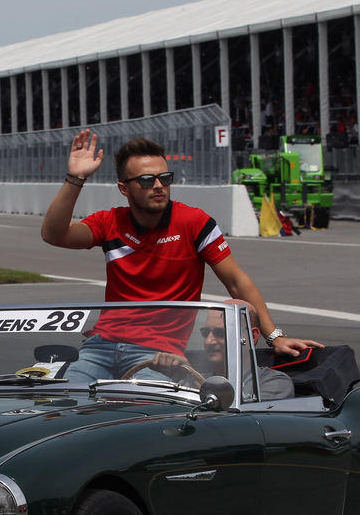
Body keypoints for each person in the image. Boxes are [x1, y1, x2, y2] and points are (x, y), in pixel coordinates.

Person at [41, 130, 321, 382]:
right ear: (124, 188)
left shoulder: (195, 223)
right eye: (147, 180)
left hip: (159, 354)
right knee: (69, 404)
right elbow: (53, 235)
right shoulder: (108, 222)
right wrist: (76, 178)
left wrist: (275, 337)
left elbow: (237, 282)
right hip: (100, 345)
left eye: (165, 177)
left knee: (146, 413)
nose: (159, 185)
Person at [155, 300, 294, 401]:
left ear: (252, 336)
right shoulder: (188, 381)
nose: (209, 341)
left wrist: (193, 379)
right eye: (205, 332)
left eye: (221, 333)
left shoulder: (274, 384)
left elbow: (235, 420)